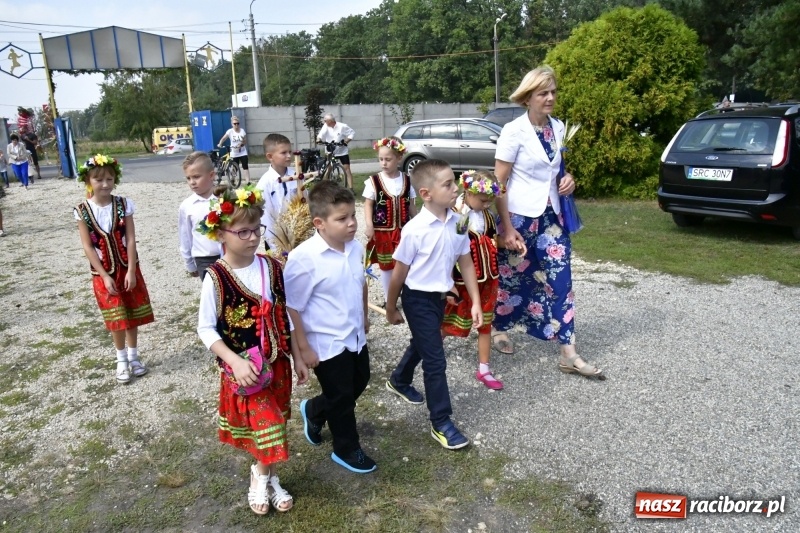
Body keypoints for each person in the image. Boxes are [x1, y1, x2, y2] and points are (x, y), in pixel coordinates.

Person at [196, 185, 308, 515]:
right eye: (242, 231)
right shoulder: (216, 278)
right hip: (246, 370)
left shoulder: (271, 267)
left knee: (276, 423)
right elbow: (205, 328)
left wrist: (298, 356)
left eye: (256, 229)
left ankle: (267, 476)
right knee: (267, 425)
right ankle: (261, 477)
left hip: (278, 364)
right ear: (221, 234)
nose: (252, 237)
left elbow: (284, 316)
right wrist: (233, 360)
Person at [492, 65, 604, 379]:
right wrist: (507, 227)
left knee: (561, 282)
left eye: (553, 92)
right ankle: (498, 326)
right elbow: (499, 183)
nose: (551, 98)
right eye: (543, 93)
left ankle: (569, 352)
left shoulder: (557, 127)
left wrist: (568, 180)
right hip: (518, 217)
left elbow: (556, 171)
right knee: (511, 277)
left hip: (552, 219)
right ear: (527, 97)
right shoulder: (513, 131)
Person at [385, 159, 483, 450]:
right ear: (426, 194)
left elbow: (465, 261)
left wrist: (475, 302)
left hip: (440, 298)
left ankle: (399, 379)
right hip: (417, 299)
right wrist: (391, 308)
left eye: (455, 182)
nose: (456, 189)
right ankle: (441, 421)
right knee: (435, 360)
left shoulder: (459, 222)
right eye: (448, 184)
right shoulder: (414, 230)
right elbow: (399, 273)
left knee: (425, 343)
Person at [284, 181, 376, 474]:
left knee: (360, 379)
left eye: (353, 215)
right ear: (319, 223)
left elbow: (361, 283)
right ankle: (346, 448)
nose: (351, 223)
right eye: (342, 218)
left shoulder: (355, 248)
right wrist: (303, 348)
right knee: (341, 396)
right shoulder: (305, 259)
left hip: (354, 334)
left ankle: (314, 410)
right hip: (325, 341)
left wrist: (364, 315)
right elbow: (292, 307)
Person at [74, 154, 154, 384]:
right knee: (116, 316)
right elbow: (87, 246)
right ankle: (121, 360)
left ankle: (134, 356)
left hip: (127, 268)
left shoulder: (123, 205)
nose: (105, 184)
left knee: (132, 312)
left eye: (109, 179)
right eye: (99, 179)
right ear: (88, 181)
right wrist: (103, 275)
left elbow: (131, 238)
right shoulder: (82, 210)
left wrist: (131, 270)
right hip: (104, 273)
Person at [441, 170, 517, 390]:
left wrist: (507, 243)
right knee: (450, 321)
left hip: (489, 279)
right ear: (469, 192)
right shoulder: (459, 216)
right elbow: (452, 250)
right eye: (483, 200)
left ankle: (484, 369)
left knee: (485, 323)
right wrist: (450, 283)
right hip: (464, 282)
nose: (487, 204)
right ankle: (429, 351)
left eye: (490, 201)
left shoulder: (487, 215)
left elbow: (492, 241)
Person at [363, 136, 417, 304]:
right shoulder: (374, 181)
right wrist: (369, 225)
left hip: (404, 231)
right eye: (381, 159)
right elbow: (368, 204)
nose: (383, 163)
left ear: (399, 158)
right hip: (383, 232)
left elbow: (411, 205)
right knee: (386, 266)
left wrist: (418, 223)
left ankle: (406, 296)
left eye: (388, 159)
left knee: (405, 263)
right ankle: (389, 299)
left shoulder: (407, 180)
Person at [179, 152, 223, 280]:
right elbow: (185, 236)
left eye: (196, 177)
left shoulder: (225, 199)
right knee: (212, 290)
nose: (192, 182)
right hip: (204, 259)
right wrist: (189, 263)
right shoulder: (187, 206)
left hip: (230, 255)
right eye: (188, 178)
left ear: (211, 175)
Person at [255, 134, 301, 252]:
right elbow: (266, 217)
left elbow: (304, 201)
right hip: (277, 237)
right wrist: (276, 246)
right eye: (283, 153)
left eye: (289, 151)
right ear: (270, 156)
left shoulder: (296, 175)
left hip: (298, 232)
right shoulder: (265, 183)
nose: (289, 156)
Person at [316, 114, 355, 190]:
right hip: (330, 150)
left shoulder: (342, 126)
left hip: (342, 151)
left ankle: (351, 189)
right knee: (329, 168)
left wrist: (346, 141)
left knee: (347, 169)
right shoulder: (325, 126)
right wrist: (318, 139)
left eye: (325, 120)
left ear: (330, 121)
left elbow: (352, 133)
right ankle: (326, 186)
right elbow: (321, 134)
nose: (324, 122)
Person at [217, 116, 251, 184]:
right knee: (235, 167)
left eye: (237, 123)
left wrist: (241, 144)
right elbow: (223, 138)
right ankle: (232, 179)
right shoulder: (230, 131)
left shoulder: (242, 131)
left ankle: (248, 182)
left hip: (242, 152)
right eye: (234, 124)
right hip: (234, 152)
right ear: (232, 124)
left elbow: (245, 141)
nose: (236, 125)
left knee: (245, 166)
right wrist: (220, 144)